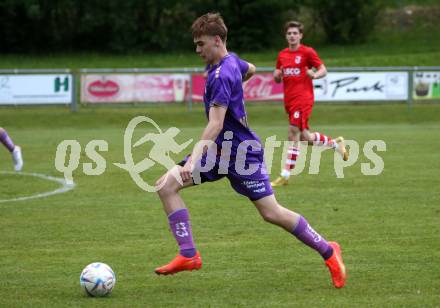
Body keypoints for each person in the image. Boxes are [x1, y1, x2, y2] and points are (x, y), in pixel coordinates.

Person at [154, 13, 346, 288]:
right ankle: (189, 254)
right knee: (165, 186)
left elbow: (215, 124)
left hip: (242, 154)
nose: (197, 50)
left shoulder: (221, 75)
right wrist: (237, 91)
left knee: (272, 213)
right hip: (220, 153)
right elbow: (252, 69)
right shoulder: (232, 61)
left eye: (200, 44)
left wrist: (192, 161)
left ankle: (329, 251)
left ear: (217, 41)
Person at [271, 21, 348, 187]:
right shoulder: (282, 55)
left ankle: (285, 175)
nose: (292, 36)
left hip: (303, 98)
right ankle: (336, 144)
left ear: (300, 35)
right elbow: (278, 75)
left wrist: (314, 75)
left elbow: (323, 70)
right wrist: (276, 75)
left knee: (293, 132)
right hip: (289, 100)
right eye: (289, 33)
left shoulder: (307, 52)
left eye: (295, 33)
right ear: (286, 36)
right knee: (306, 137)